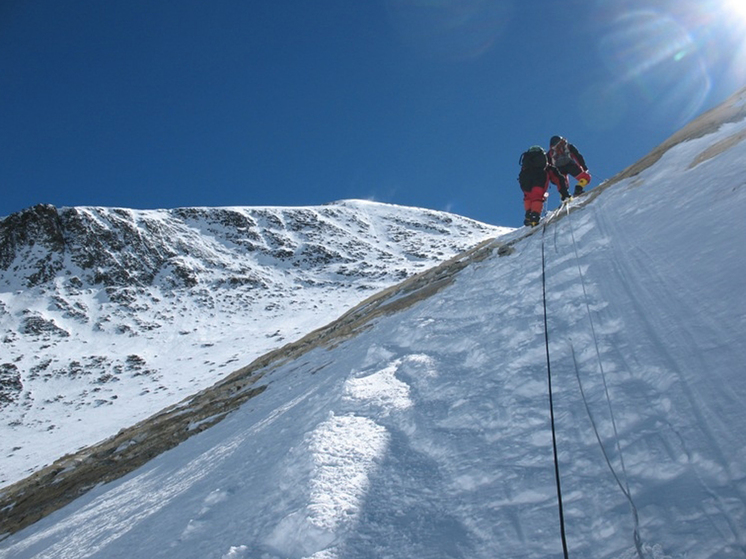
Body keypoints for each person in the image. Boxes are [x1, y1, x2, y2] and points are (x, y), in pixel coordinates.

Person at [518, 145, 569, 227]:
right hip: (539, 177)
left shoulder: (527, 164)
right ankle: (535, 216)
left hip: (525, 179)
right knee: (537, 196)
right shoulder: (545, 166)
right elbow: (559, 178)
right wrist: (564, 192)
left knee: (528, 196)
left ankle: (528, 215)